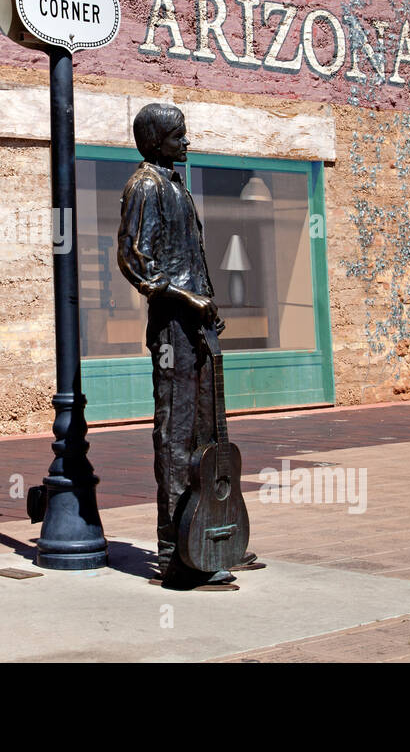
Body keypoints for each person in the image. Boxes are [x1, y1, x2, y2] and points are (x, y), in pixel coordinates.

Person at [117, 103, 257, 589]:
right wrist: (189, 299)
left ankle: (210, 531)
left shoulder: (174, 182)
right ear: (155, 141)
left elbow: (187, 257)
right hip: (174, 331)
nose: (187, 142)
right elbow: (136, 261)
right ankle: (177, 551)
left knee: (207, 431)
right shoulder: (145, 186)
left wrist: (207, 303)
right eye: (178, 136)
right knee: (176, 437)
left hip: (198, 325)